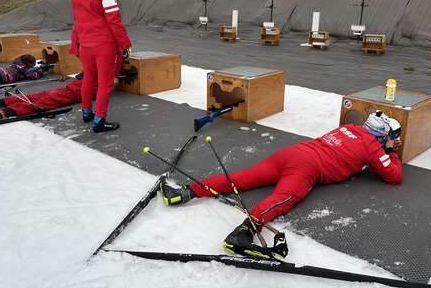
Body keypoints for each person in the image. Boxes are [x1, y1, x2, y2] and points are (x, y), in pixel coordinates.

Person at [161, 111, 403, 259]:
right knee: (283, 199)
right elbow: (394, 176)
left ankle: (185, 192)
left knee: (242, 178)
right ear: (382, 136)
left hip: (293, 153)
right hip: (308, 167)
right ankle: (243, 234)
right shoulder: (374, 146)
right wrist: (390, 152)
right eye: (392, 137)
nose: (394, 140)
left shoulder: (349, 128)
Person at [70, 0, 131, 133]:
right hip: (104, 43)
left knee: (89, 78)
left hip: (85, 41)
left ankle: (87, 112)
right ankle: (99, 121)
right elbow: (113, 19)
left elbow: (77, 15)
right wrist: (125, 43)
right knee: (105, 83)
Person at [0, 73, 83, 120]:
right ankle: (4, 106)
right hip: (78, 87)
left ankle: (6, 108)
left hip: (79, 87)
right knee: (43, 98)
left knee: (44, 98)